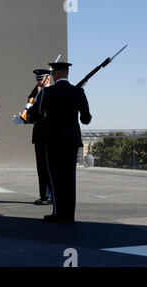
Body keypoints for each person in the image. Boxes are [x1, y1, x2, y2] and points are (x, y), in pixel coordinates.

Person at [29, 62, 92, 223]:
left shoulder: (47, 92)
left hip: (52, 140)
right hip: (71, 141)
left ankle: (58, 213)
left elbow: (36, 114)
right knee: (70, 179)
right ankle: (69, 215)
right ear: (67, 74)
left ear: (55, 75)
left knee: (56, 178)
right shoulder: (78, 92)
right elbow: (86, 119)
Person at [14, 69, 53, 205]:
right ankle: (44, 195)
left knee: (49, 167)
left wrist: (31, 111)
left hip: (49, 134)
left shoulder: (51, 92)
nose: (38, 82)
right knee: (41, 167)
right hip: (39, 135)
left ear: (48, 79)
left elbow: (44, 114)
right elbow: (36, 115)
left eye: (40, 80)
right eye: (37, 80)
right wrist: (24, 118)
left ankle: (51, 195)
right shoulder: (36, 93)